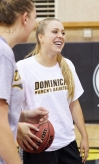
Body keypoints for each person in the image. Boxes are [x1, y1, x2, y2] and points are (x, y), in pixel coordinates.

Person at [16, 18, 89, 164]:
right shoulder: (22, 67)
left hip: (67, 143)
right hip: (36, 143)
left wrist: (84, 136)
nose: (60, 36)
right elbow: (9, 107)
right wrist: (18, 127)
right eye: (55, 32)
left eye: (63, 32)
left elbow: (74, 103)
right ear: (40, 37)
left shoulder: (67, 65)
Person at [0, 0, 49, 164]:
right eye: (36, 17)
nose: (36, 24)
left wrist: (22, 115)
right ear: (25, 18)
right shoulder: (3, 53)